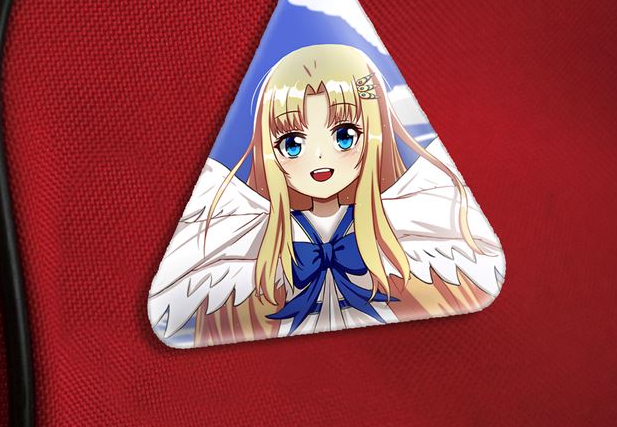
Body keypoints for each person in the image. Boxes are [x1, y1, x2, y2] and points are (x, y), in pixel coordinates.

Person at [148, 43, 505, 347]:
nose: (319, 157)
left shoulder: (403, 220)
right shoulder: (254, 234)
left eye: (344, 136)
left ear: (375, 133)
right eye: (292, 143)